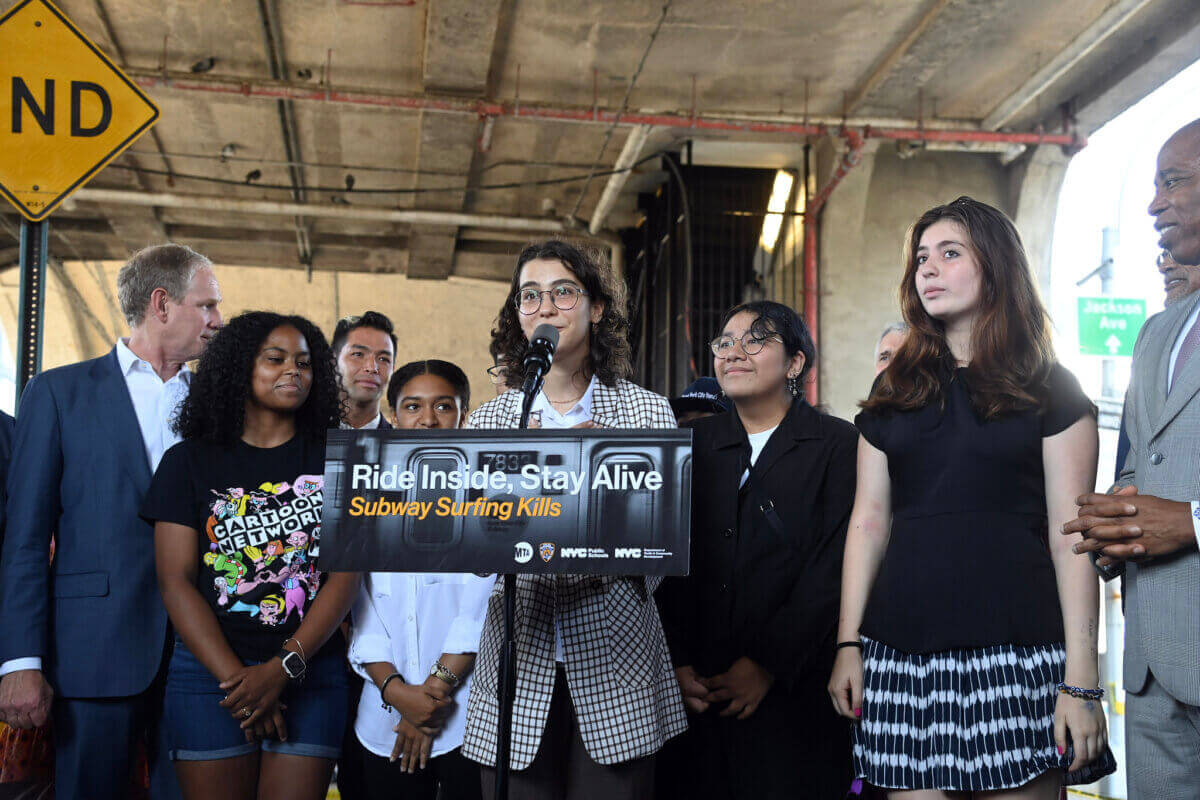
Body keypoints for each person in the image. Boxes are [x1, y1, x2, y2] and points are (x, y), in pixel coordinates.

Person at [829, 197, 1112, 798]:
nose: (927, 269)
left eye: (949, 254)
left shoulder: (1050, 386)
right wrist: (847, 643)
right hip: (900, 657)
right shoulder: (894, 387)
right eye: (921, 259)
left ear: (996, 265)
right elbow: (867, 524)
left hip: (1020, 656)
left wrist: (1082, 680)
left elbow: (1074, 538)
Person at [462, 239, 687, 799]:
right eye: (530, 296)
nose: (546, 308)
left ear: (596, 308)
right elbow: (468, 551)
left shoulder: (646, 413)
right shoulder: (490, 422)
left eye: (564, 292)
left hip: (619, 664)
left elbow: (657, 558)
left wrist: (584, 494)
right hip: (518, 659)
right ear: (517, 315)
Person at [0, 244, 222, 799]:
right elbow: (25, 540)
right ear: (162, 304)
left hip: (204, 659)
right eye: (208, 306)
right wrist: (20, 661)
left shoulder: (222, 409)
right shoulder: (57, 393)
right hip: (91, 655)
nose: (219, 321)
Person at [140, 311, 361, 800]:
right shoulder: (188, 462)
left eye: (305, 363)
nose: (293, 371)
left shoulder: (340, 459)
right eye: (276, 359)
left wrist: (283, 669)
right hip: (210, 677)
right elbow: (175, 581)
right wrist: (241, 684)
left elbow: (346, 574)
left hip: (310, 670)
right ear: (240, 368)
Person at [657, 301, 855, 799]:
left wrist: (766, 663)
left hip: (796, 691)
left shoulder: (838, 445)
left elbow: (834, 565)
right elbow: (663, 559)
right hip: (695, 691)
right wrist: (675, 661)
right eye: (724, 342)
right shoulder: (689, 443)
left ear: (795, 364)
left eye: (756, 340)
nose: (734, 352)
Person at [1065, 118, 1200, 799]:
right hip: (1152, 671)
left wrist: (1193, 522)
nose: (1153, 205)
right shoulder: (1159, 331)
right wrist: (1118, 518)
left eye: (1172, 183)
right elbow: (1145, 459)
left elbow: (1184, 509)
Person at [349, 358, 490, 800]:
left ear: (464, 417)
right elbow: (357, 607)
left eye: (444, 406)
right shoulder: (363, 495)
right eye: (412, 406)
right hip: (381, 716)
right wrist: (397, 692)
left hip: (467, 716)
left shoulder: (487, 496)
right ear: (394, 417)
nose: (428, 419)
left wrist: (431, 696)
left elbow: (481, 608)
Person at [1113, 249, 1200, 479]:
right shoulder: (1150, 334)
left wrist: (1191, 516)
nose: (1166, 265)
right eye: (1163, 254)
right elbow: (1130, 466)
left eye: (1176, 251)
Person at [333, 311, 397, 430]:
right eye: (358, 354)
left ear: (392, 370)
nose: (372, 368)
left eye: (383, 359)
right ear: (333, 362)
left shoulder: (402, 446)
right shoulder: (302, 439)